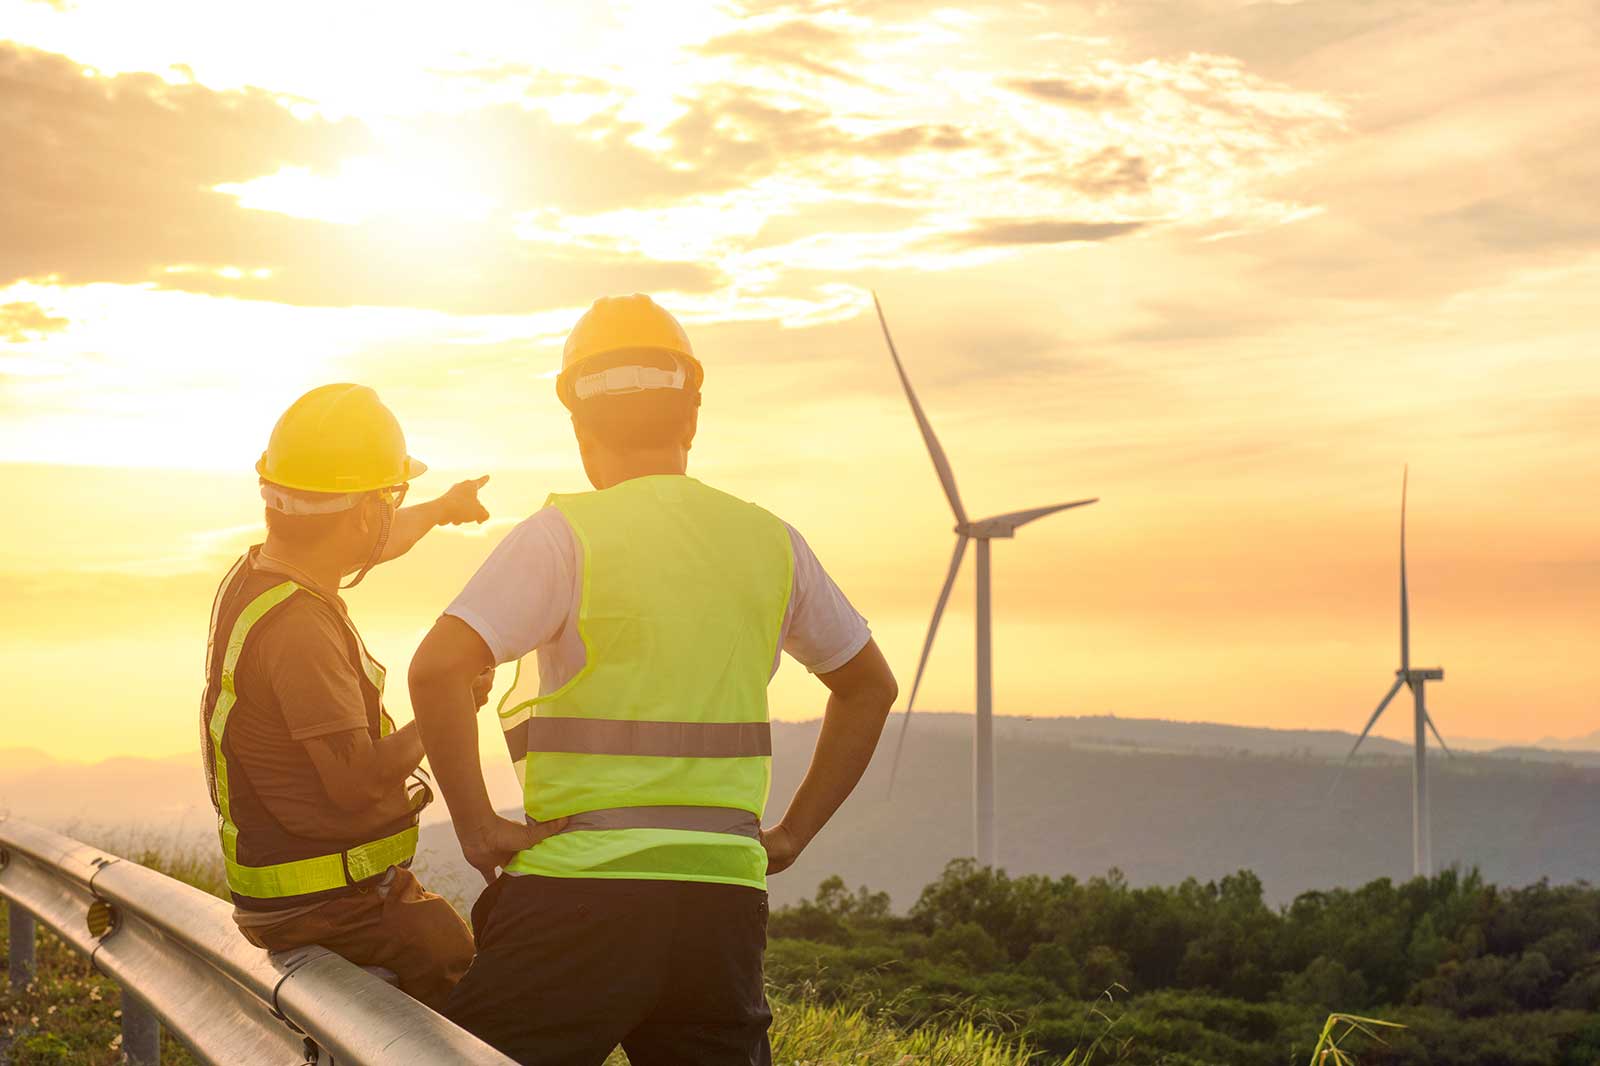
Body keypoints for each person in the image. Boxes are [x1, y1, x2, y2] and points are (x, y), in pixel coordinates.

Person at [409, 294, 899, 1065]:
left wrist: (477, 827)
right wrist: (793, 833)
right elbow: (869, 685)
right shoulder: (772, 541)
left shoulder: (563, 536)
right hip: (722, 906)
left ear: (581, 427)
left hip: (579, 895)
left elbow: (438, 668)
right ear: (691, 420)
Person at [200, 383, 490, 1011]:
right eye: (387, 499)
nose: (392, 513)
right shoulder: (300, 629)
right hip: (328, 909)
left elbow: (373, 539)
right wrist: (448, 707)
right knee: (462, 971)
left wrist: (440, 508)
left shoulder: (259, 575)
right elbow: (354, 784)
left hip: (286, 900)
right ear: (359, 513)